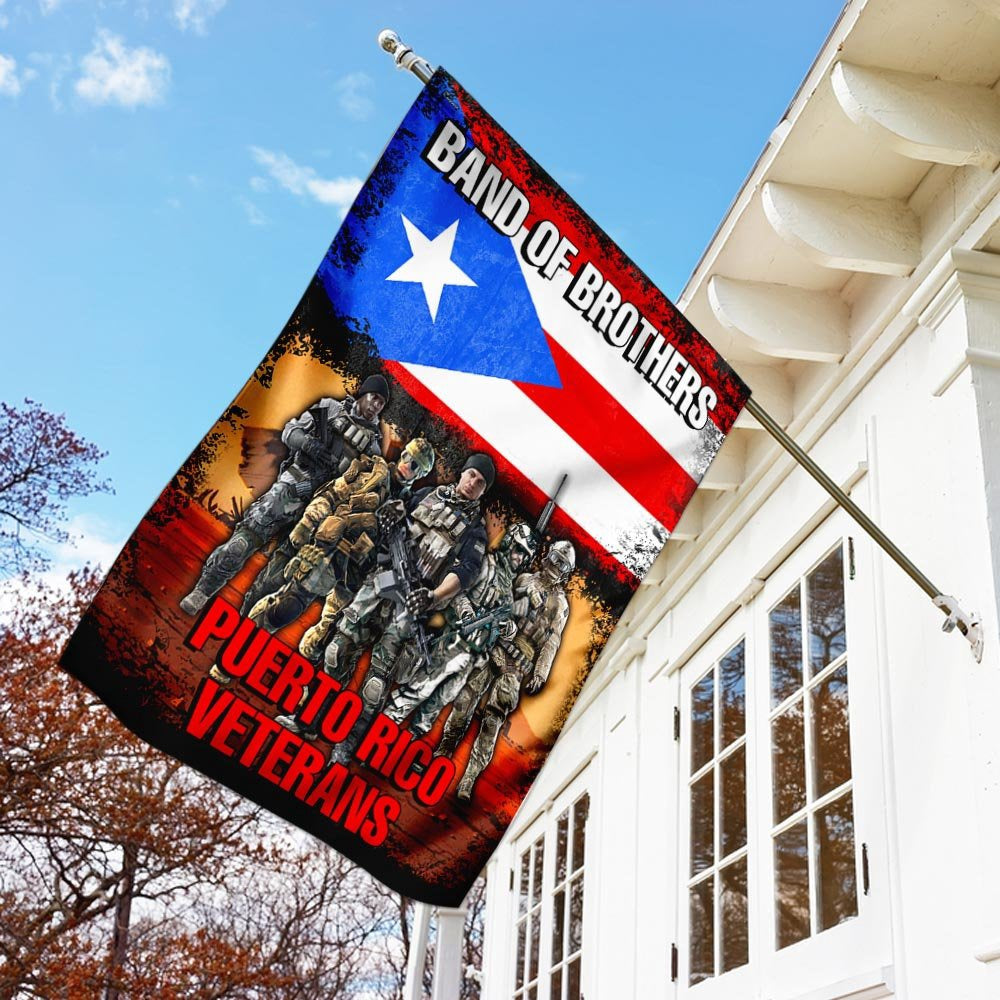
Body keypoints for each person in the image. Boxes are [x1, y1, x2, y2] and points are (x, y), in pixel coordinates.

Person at [277, 452, 495, 740]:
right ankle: (307, 720)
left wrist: (432, 596)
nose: (472, 482)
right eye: (471, 475)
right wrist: (391, 513)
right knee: (337, 648)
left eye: (480, 482)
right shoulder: (427, 493)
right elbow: (392, 516)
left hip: (413, 601)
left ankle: (348, 745)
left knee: (376, 681)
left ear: (483, 491)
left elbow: (464, 573)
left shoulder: (475, 532)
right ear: (462, 473)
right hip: (382, 578)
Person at [179, 375, 388, 616]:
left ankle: (244, 617)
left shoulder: (373, 446)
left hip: (319, 512)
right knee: (243, 541)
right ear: (363, 393)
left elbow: (364, 488)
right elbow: (290, 431)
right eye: (374, 398)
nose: (375, 406)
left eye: (381, 403)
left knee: (278, 576)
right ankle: (203, 590)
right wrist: (309, 444)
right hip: (293, 487)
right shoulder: (331, 408)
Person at [444, 539, 575, 801]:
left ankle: (468, 780)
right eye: (555, 558)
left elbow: (551, 641)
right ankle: (442, 752)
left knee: (492, 721)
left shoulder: (560, 605)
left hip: (518, 664)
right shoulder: (524, 579)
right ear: (547, 556)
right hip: (495, 645)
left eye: (562, 563)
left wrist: (541, 671)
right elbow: (502, 600)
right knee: (464, 701)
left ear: (566, 572)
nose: (555, 566)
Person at [384, 521, 537, 738]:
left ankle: (408, 741)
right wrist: (467, 612)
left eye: (525, 555)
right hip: (452, 641)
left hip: (473, 655)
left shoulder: (509, 590)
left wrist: (507, 627)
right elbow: (458, 589)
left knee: (440, 701)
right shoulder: (486, 566)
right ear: (509, 542)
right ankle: (385, 724)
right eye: (518, 550)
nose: (519, 558)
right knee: (421, 688)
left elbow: (509, 630)